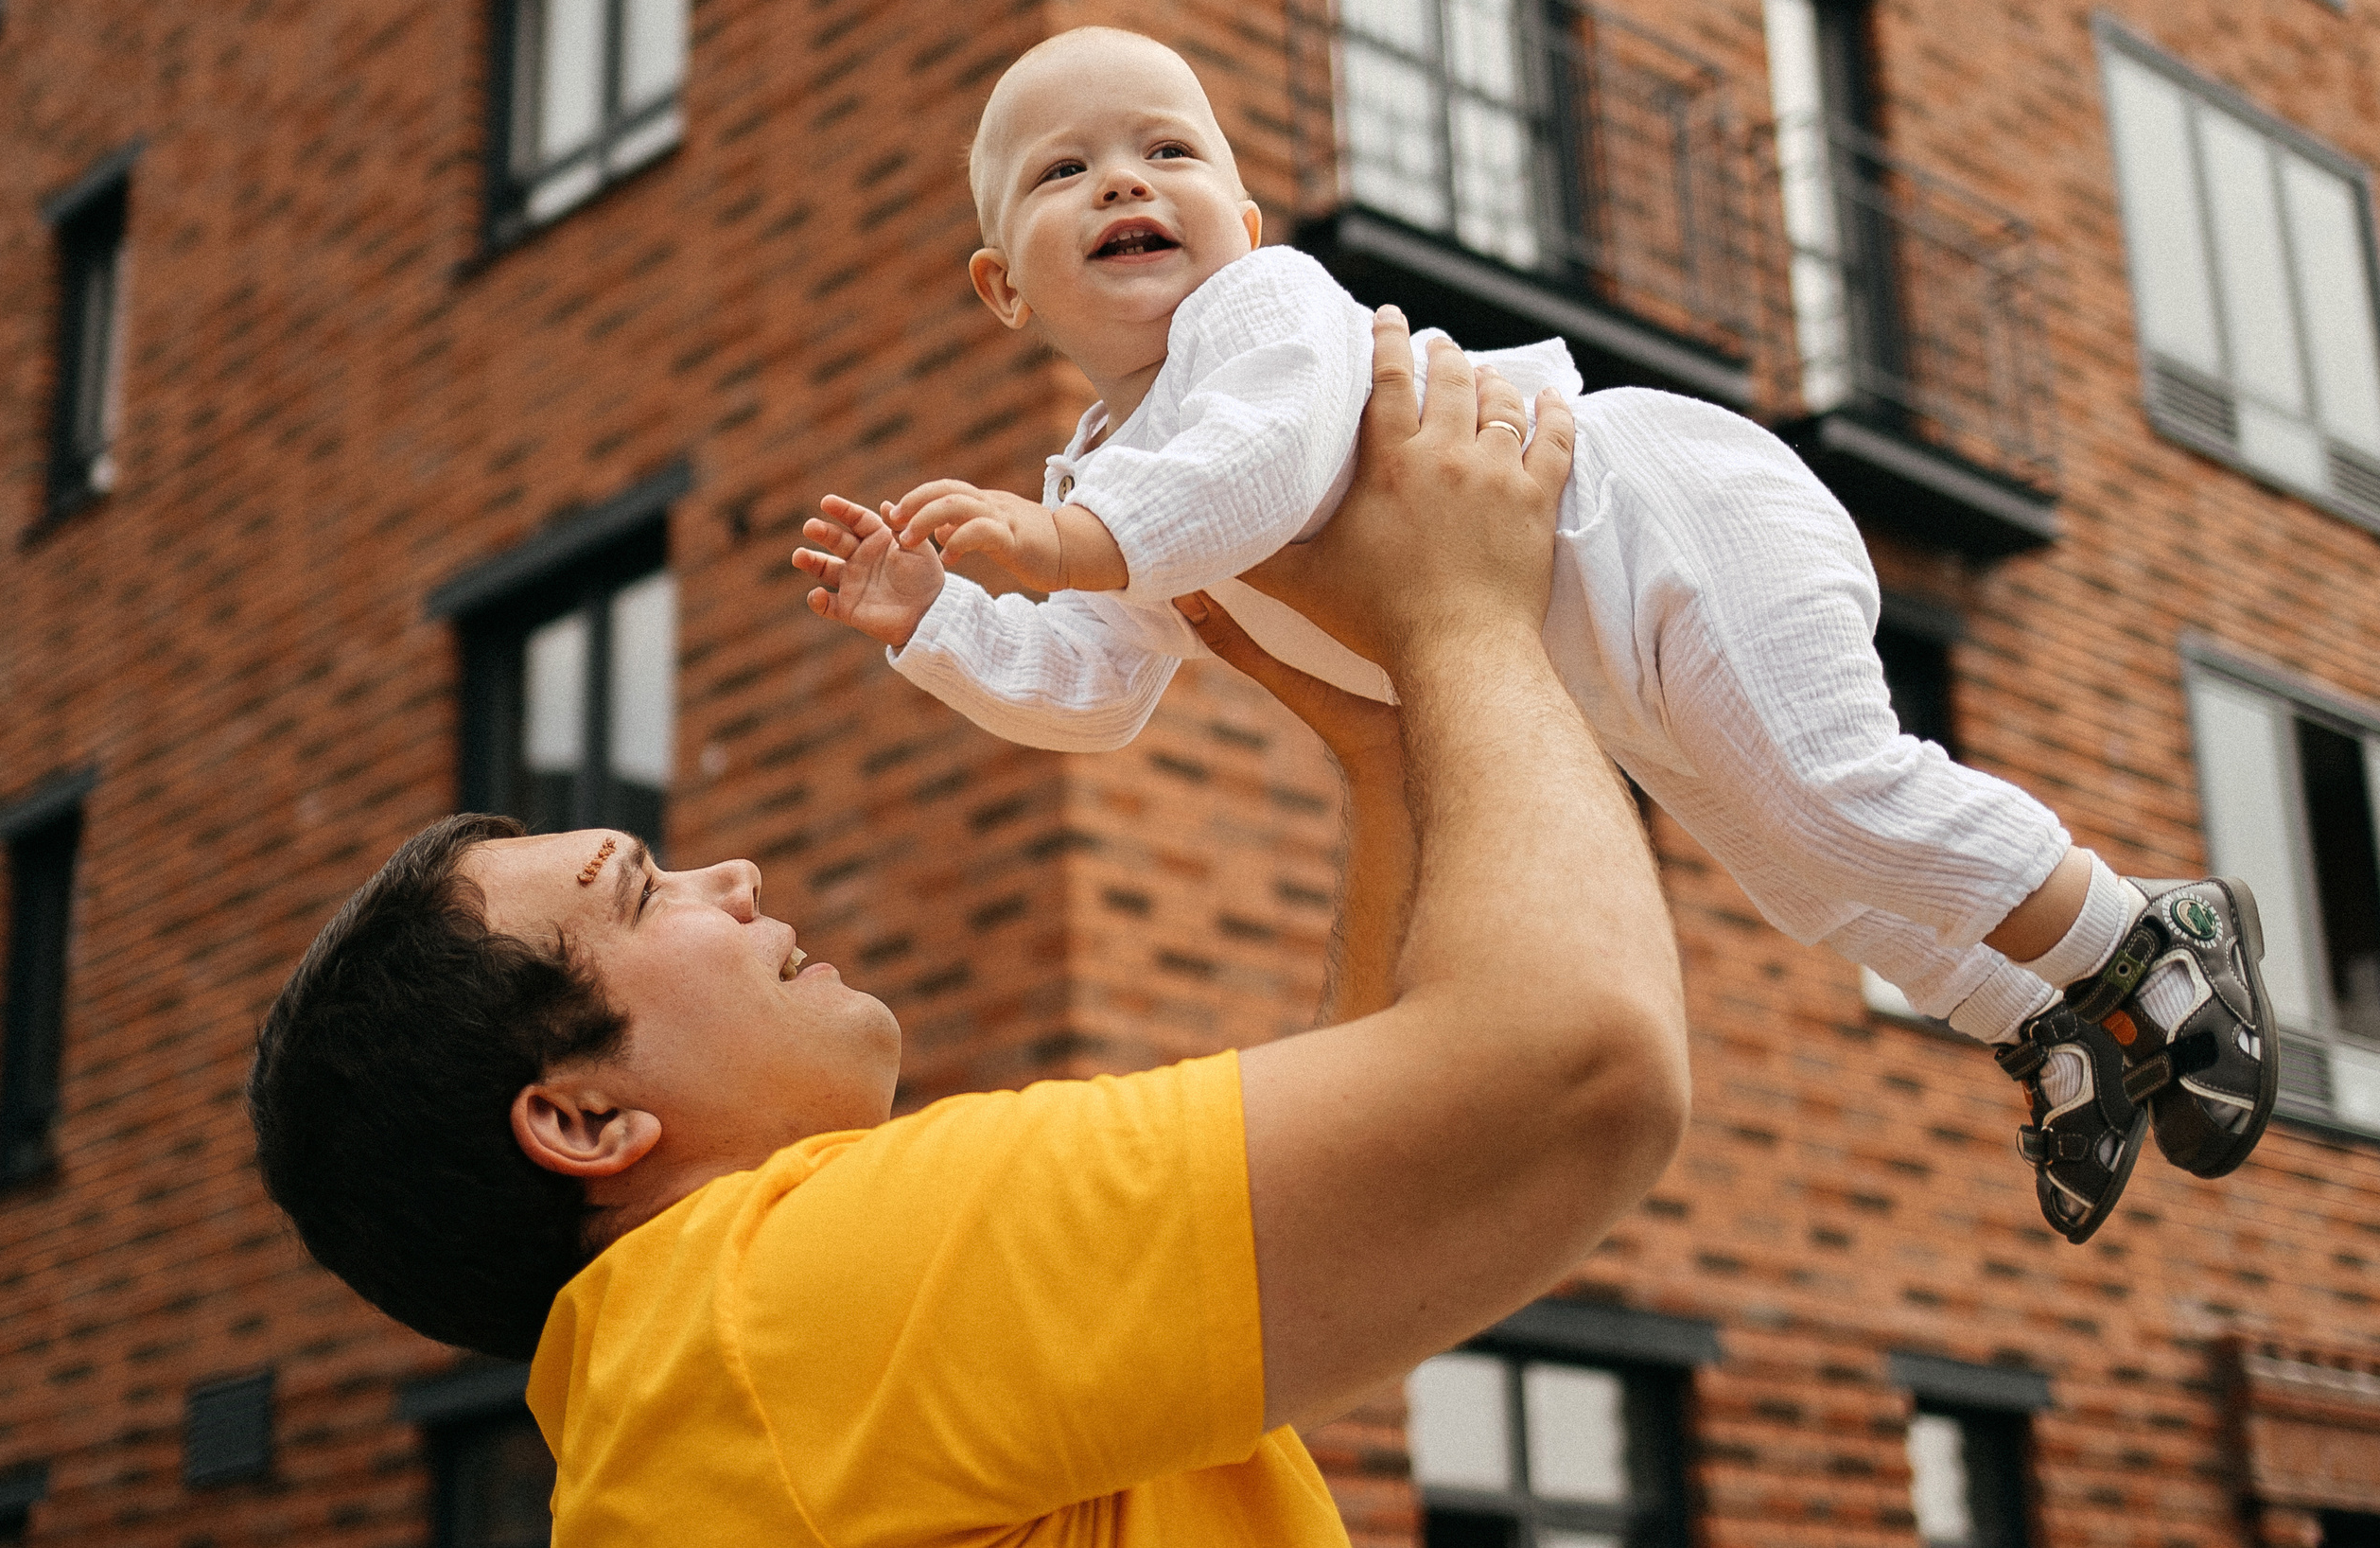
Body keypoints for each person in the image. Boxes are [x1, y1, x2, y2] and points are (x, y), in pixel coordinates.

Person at [788, 26, 2280, 1242]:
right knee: (1790, 860)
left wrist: (1065, 545)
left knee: (1834, 790)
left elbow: (1267, 463)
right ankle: (2051, 1019)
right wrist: (938, 621)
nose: (1127, 180)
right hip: (1568, 640)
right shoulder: (1113, 481)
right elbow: (1093, 693)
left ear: (1239, 225)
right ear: (1002, 286)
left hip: (1653, 513)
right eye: (1067, 170)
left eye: (1169, 149)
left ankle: (2151, 937)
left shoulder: (1264, 318)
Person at [249, 330, 1693, 1545]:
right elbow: (1576, 1072)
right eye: (643, 890)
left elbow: (1389, 1164)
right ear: (579, 1114)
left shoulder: (721, 1389)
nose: (733, 874)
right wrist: (1463, 614)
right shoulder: (774, 1307)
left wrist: (1389, 759)